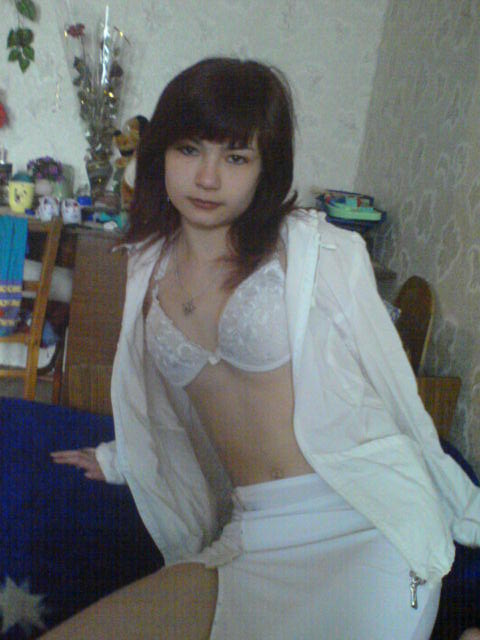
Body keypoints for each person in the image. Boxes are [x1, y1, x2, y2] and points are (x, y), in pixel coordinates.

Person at [45, 57, 480, 639]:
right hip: (255, 534)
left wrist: (458, 502)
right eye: (189, 149)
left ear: (264, 166)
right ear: (159, 154)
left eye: (236, 157)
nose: (207, 178)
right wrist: (121, 459)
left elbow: (393, 387)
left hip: (365, 525)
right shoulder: (145, 264)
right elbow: (167, 410)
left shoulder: (315, 249)